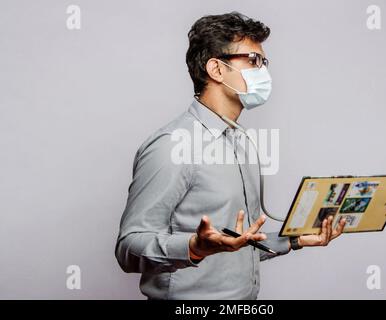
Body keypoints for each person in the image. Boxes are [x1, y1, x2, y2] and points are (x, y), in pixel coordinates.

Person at [115, 11, 346, 300]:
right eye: (253, 60)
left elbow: (235, 245)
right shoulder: (171, 145)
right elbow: (128, 248)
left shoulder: (241, 141)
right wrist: (193, 247)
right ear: (217, 69)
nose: (263, 71)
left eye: (264, 62)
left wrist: (295, 239)